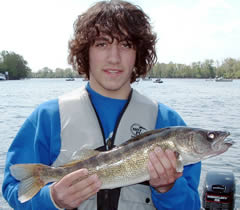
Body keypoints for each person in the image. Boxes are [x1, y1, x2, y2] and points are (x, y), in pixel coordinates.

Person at [2, 0, 201, 209]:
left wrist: (169, 189)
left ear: (138, 53)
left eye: (126, 45)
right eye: (102, 44)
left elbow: (191, 205)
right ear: (85, 52)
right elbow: (13, 189)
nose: (114, 58)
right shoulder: (48, 117)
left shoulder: (169, 123)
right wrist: (52, 199)